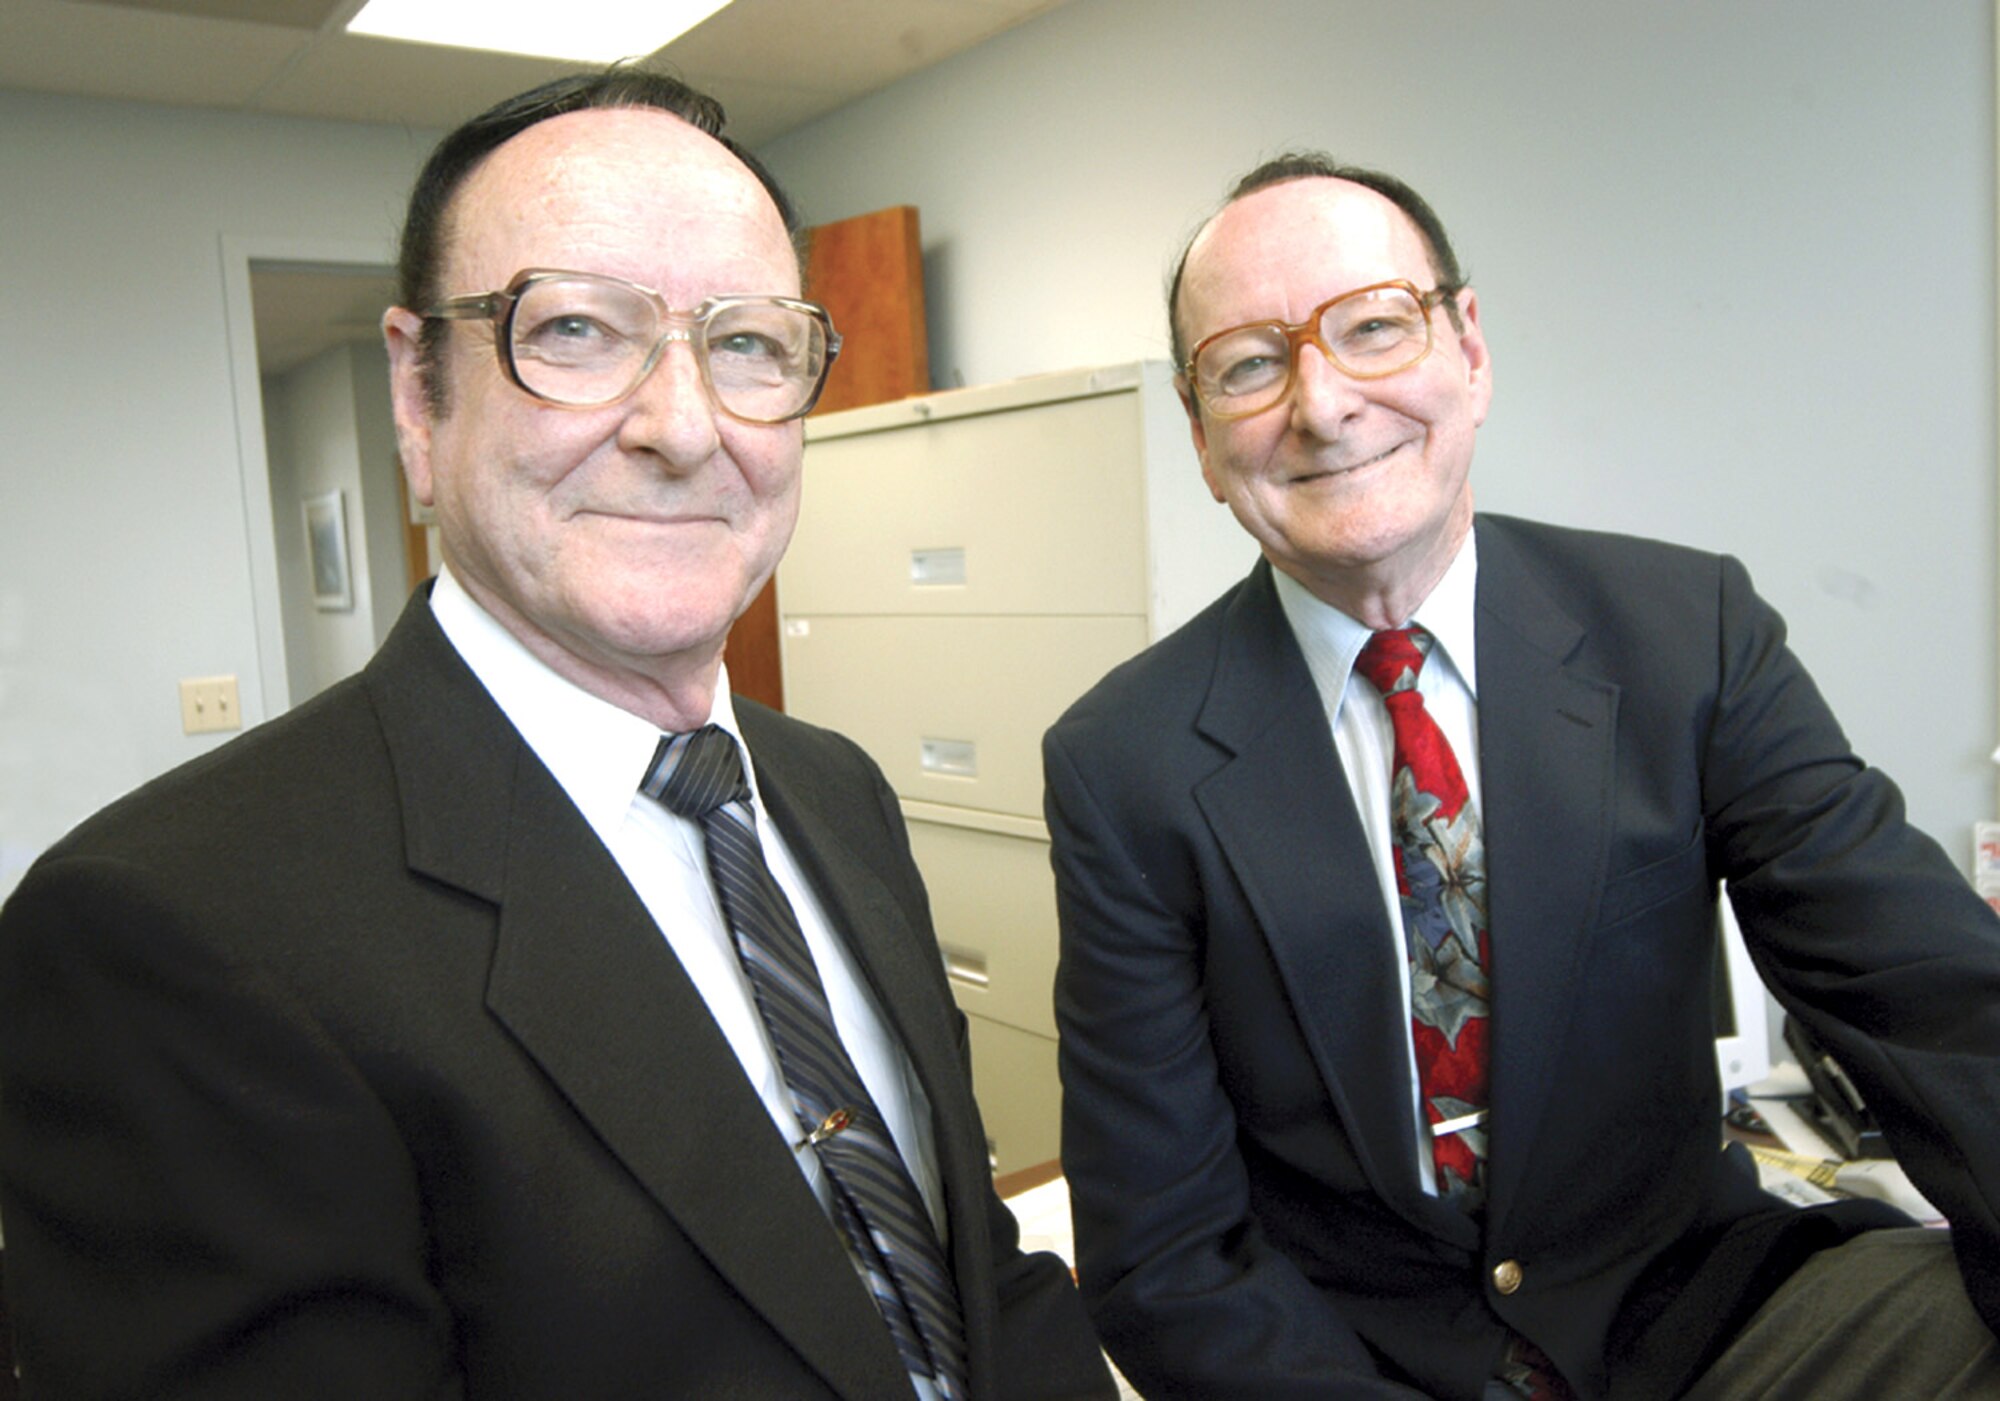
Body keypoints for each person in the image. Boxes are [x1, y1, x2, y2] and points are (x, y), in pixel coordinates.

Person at [0, 69, 1114, 1401]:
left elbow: (971, 1264)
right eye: (577, 330)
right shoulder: (168, 936)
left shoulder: (834, 790)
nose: (683, 427)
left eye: (750, 344)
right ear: (418, 396)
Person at [1043, 151, 2000, 1401]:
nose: (1322, 405)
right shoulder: (1123, 761)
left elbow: (1929, 1001)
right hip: (1357, 1367)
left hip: (1706, 1327)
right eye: (1249, 364)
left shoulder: (1685, 631)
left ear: (1469, 347)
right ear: (1203, 438)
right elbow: (1165, 1254)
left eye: (1372, 328)